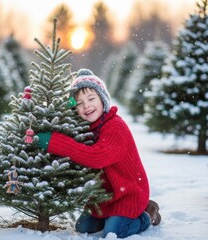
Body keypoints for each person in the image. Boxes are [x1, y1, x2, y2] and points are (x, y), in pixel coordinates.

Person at [37, 68, 161, 238]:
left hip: (129, 193)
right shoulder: (86, 128)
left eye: (91, 98)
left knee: (114, 232)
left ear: (103, 100)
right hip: (104, 196)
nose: (86, 105)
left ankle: (148, 214)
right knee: (83, 228)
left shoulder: (115, 127)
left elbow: (96, 157)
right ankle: (113, 216)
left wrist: (53, 142)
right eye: (79, 103)